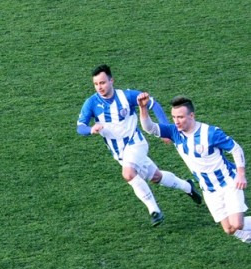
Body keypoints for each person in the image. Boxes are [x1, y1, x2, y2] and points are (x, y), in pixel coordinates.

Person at [77, 65, 201, 226]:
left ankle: (154, 211)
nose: (99, 87)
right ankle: (188, 187)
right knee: (156, 177)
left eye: (102, 82)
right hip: (119, 153)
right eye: (96, 84)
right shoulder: (91, 103)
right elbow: (80, 127)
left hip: (136, 143)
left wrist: (165, 129)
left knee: (128, 173)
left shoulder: (126, 96)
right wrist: (90, 129)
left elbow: (153, 104)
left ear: (111, 80)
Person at [138, 94, 250, 243]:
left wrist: (241, 174)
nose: (176, 121)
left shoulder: (210, 133)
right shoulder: (174, 132)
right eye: (174, 117)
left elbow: (236, 149)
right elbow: (149, 128)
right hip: (209, 189)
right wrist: (143, 108)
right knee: (229, 229)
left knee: (237, 224)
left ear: (191, 115)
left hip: (228, 182)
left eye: (180, 117)